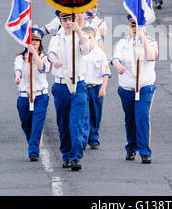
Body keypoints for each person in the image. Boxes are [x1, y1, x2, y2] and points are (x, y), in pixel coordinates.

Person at [111, 15, 159, 164]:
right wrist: (118, 65)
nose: (134, 29)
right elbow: (115, 58)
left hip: (145, 86)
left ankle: (145, 151)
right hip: (127, 87)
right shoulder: (123, 43)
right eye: (132, 26)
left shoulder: (151, 42)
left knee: (142, 117)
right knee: (130, 118)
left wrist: (143, 38)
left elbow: (152, 57)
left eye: (137, 26)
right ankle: (131, 147)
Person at [47, 12, 91, 171]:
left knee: (76, 123)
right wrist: (55, 61)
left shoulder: (81, 35)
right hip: (61, 86)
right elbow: (51, 53)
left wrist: (79, 31)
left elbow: (87, 50)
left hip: (78, 84)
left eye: (70, 19)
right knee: (63, 123)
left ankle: (75, 157)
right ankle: (65, 154)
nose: (67, 23)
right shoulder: (56, 38)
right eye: (64, 20)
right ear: (60, 21)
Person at [14, 28, 50, 161]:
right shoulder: (20, 57)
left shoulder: (44, 56)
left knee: (37, 123)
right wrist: (17, 77)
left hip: (40, 95)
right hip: (24, 95)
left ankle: (33, 150)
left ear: (40, 42)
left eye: (37, 40)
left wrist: (34, 53)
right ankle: (32, 141)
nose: (34, 42)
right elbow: (17, 69)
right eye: (32, 40)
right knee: (26, 123)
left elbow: (42, 68)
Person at [81, 26, 110, 150]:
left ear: (94, 38)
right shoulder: (80, 52)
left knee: (96, 114)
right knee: (85, 115)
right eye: (85, 38)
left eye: (90, 38)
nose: (88, 40)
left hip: (96, 87)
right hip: (83, 87)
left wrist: (103, 88)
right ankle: (83, 139)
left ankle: (94, 137)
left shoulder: (99, 53)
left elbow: (106, 72)